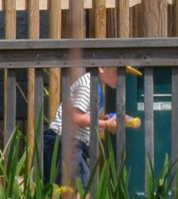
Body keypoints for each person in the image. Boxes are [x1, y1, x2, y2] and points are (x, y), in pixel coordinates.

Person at [42, 58, 125, 188]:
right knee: (79, 191)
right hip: (65, 142)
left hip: (71, 143)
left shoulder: (95, 85)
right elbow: (74, 116)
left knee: (76, 191)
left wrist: (104, 121)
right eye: (116, 71)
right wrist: (105, 125)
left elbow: (83, 117)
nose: (120, 76)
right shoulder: (88, 85)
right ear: (101, 68)